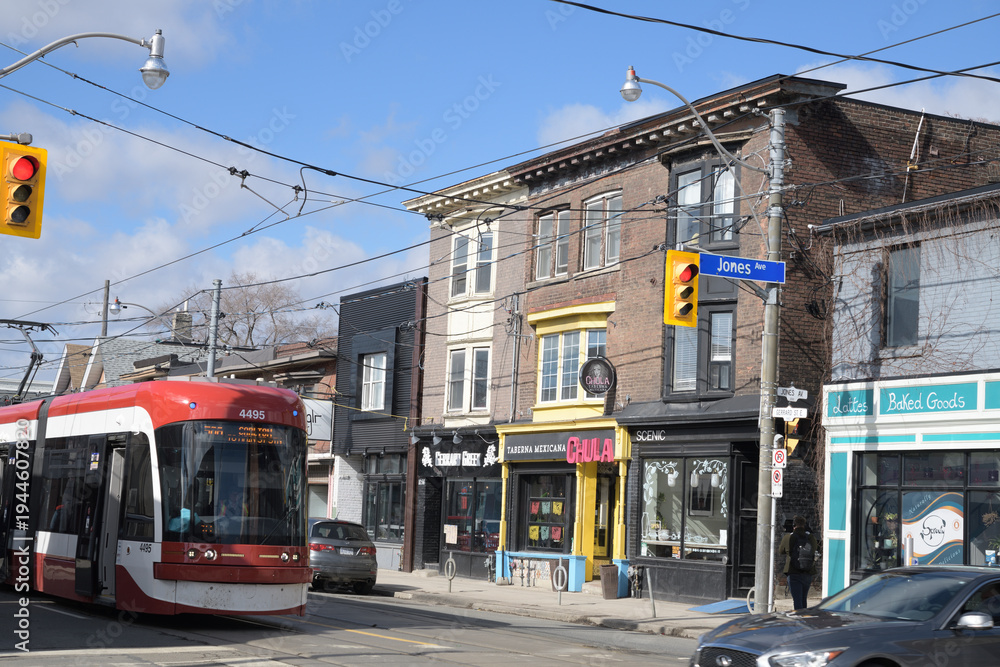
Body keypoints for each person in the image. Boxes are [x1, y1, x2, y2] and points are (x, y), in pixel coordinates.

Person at [779, 515, 818, 611]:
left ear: (794, 525)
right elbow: (815, 549)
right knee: (803, 599)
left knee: (797, 600)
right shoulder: (811, 537)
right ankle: (804, 618)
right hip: (807, 572)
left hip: (793, 572)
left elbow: (781, 551)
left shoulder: (788, 537)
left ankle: (799, 620)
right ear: (804, 525)